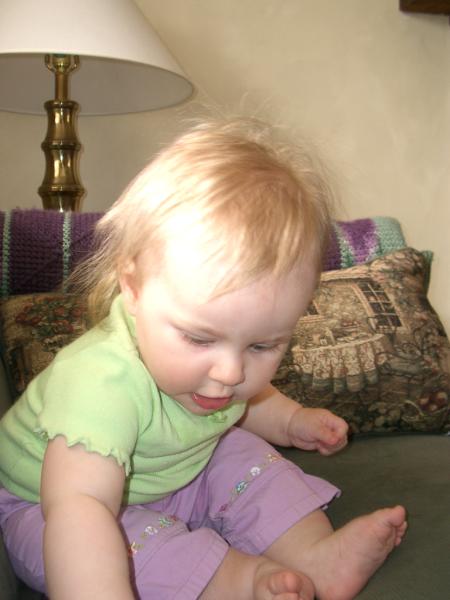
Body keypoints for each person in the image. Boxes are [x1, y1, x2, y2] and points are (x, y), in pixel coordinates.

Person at [0, 118, 407, 600]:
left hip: (173, 476)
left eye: (262, 346)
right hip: (50, 506)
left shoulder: (215, 376)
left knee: (241, 453)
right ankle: (240, 581)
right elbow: (79, 511)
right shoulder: (99, 382)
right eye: (199, 338)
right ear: (133, 288)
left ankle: (315, 555)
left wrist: (292, 420)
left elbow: (250, 402)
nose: (231, 373)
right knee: (123, 546)